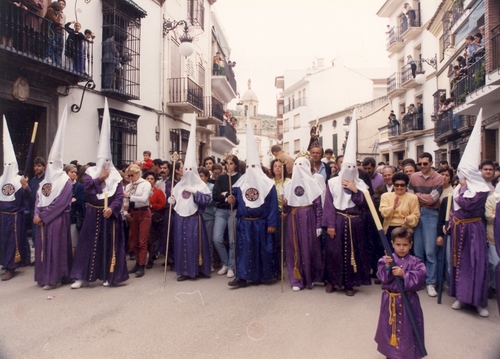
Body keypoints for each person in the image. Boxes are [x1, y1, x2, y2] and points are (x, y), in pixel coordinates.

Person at [71, 99, 129, 288]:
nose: (103, 162)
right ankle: (82, 277)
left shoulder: (116, 176)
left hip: (108, 216)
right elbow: (88, 188)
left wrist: (112, 209)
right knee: (86, 245)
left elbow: (119, 196)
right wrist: (101, 179)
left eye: (106, 159)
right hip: (91, 213)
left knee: (107, 246)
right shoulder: (89, 173)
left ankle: (108, 275)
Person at [323, 111, 371, 296]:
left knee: (354, 253)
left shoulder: (360, 184)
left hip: (355, 224)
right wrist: (330, 225)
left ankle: (350, 284)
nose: (350, 170)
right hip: (338, 220)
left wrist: (355, 190)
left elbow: (364, 205)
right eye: (347, 167)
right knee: (334, 254)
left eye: (353, 167)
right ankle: (333, 282)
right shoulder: (332, 182)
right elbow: (328, 205)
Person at [228, 117, 279, 288]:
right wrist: (231, 199)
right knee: (243, 250)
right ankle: (242, 277)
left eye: (254, 167)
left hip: (262, 224)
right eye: (248, 167)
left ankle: (264, 275)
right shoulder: (240, 183)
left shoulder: (268, 184)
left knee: (263, 250)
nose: (251, 171)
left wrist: (272, 223)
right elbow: (234, 200)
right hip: (245, 223)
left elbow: (272, 205)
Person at [448, 111, 490, 317]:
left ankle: (479, 302)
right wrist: (449, 221)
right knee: (460, 263)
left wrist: (460, 192)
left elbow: (468, 205)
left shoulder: (480, 190)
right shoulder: (458, 188)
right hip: (458, 229)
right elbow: (452, 209)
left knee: (477, 263)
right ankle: (461, 297)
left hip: (474, 229)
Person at [34, 107, 73, 290]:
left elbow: (60, 203)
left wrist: (43, 216)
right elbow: (38, 199)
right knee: (44, 250)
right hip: (43, 219)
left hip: (57, 220)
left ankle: (56, 277)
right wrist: (37, 214)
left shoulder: (65, 181)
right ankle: (44, 277)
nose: (49, 166)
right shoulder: (44, 181)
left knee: (56, 250)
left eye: (51, 163)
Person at [169, 116, 212, 281]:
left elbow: (206, 200)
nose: (186, 171)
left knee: (195, 244)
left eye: (189, 168)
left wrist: (196, 192)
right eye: (184, 168)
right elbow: (175, 199)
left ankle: (198, 270)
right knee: (181, 244)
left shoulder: (200, 184)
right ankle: (184, 271)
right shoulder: (178, 185)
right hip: (180, 219)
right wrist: (172, 201)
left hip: (194, 219)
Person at [374, 227, 426, 359]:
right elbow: (382, 278)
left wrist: (404, 274)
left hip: (408, 300)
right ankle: (391, 354)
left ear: (411, 245)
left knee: (408, 329)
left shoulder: (416, 262)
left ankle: (407, 354)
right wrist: (387, 267)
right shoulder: (386, 260)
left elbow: (421, 277)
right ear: (392, 244)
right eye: (398, 244)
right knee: (390, 327)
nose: (401, 248)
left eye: (405, 245)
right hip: (390, 301)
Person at [283, 156, 323, 291]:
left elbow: (318, 206)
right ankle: (297, 280)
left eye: (302, 164)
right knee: (294, 248)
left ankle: (309, 278)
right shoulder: (288, 185)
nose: (299, 167)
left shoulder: (313, 184)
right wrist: (284, 205)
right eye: (296, 164)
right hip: (293, 219)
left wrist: (319, 224)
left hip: (308, 218)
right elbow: (286, 208)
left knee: (308, 246)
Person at [409, 152, 443, 297]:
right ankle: (420, 280)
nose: (422, 166)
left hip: (431, 214)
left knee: (430, 251)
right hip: (417, 213)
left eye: (425, 163)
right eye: (420, 164)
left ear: (431, 163)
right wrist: (418, 197)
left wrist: (417, 196)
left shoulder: (439, 178)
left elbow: (432, 200)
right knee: (417, 251)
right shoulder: (414, 176)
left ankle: (431, 283)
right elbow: (410, 195)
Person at [0, 118, 30, 281]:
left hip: (14, 216)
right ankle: (6, 262)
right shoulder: (0, 180)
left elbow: (28, 197)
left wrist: (25, 187)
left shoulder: (20, 180)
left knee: (13, 241)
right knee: (3, 241)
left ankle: (12, 266)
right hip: (2, 216)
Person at [212, 155, 241, 278]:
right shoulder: (221, 178)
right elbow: (215, 195)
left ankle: (231, 266)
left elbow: (240, 195)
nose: (229, 166)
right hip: (221, 211)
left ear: (235, 165)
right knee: (216, 238)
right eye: (227, 163)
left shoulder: (240, 178)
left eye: (231, 163)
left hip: (233, 211)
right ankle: (225, 262)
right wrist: (225, 197)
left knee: (232, 240)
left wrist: (233, 198)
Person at [124, 164, 151, 278]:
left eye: (132, 175)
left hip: (144, 212)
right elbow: (124, 202)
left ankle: (141, 264)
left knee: (142, 240)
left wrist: (130, 197)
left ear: (138, 174)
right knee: (134, 239)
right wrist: (126, 213)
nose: (130, 178)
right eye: (128, 175)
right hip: (133, 212)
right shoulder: (129, 186)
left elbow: (144, 199)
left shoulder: (145, 184)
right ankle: (136, 263)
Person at [380, 172, 420, 243]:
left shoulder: (413, 198)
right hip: (390, 228)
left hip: (406, 229)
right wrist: (393, 207)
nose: (399, 187)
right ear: (393, 185)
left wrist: (407, 218)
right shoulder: (385, 196)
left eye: (402, 185)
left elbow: (416, 216)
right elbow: (383, 213)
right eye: (396, 185)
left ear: (406, 186)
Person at [65, 164, 85, 257]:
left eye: (75, 172)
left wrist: (70, 201)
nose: (73, 174)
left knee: (74, 242)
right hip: (63, 218)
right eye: (71, 172)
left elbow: (79, 201)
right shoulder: (62, 186)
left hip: (74, 217)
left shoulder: (79, 186)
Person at [198, 167, 216, 272]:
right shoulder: (195, 187)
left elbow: (209, 201)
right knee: (198, 241)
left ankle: (210, 262)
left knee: (208, 241)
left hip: (209, 216)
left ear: (206, 177)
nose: (200, 178)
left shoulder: (211, 187)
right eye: (198, 176)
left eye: (202, 176)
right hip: (197, 217)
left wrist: (198, 198)